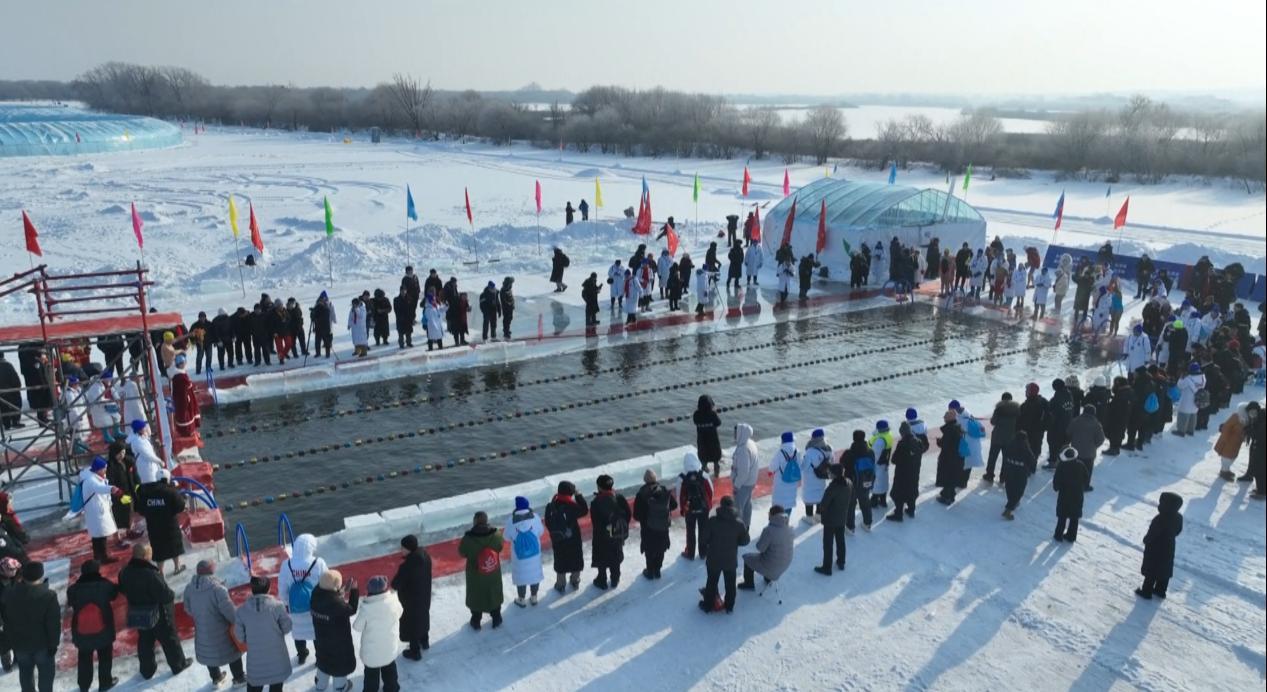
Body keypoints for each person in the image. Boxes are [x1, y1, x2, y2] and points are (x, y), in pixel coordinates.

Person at [119, 543, 191, 680]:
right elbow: (166, 595)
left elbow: (122, 589)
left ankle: (147, 670)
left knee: (145, 641)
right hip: (158, 614)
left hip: (138, 613)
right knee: (170, 639)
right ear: (145, 556)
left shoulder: (124, 572)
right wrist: (171, 594)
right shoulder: (151, 574)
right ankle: (178, 665)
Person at [183, 559, 246, 687]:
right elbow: (230, 613)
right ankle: (239, 678)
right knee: (233, 653)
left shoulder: (189, 588)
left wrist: (202, 617)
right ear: (211, 571)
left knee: (209, 653)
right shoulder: (218, 589)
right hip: (221, 631)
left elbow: (188, 609)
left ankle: (216, 678)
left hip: (202, 630)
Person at [2, 562, 60, 692]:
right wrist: (53, 644)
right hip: (43, 646)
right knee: (46, 677)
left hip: (21, 645)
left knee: (25, 673)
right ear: (41, 575)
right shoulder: (48, 596)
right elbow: (53, 624)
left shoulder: (10, 594)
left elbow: (7, 619)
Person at [235, 575, 292, 692]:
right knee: (276, 686)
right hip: (277, 658)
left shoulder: (241, 611)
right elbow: (287, 627)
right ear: (268, 588)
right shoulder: (277, 606)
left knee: (255, 685)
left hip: (255, 661)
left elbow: (240, 637)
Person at [69, 560, 119, 692]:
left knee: (84, 658)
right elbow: (114, 595)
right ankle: (105, 683)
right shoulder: (105, 585)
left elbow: (71, 602)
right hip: (104, 628)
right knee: (105, 657)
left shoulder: (73, 589)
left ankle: (84, 686)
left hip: (82, 630)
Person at [278, 532, 327, 664]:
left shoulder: (286, 565)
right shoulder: (318, 563)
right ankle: (320, 658)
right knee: (316, 632)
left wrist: (287, 603)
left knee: (298, 632)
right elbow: (327, 584)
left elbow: (282, 589)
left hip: (295, 607)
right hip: (315, 607)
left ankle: (302, 654)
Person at [698, 496, 750, 614]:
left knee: (711, 582)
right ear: (732, 506)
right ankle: (729, 606)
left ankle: (707, 606)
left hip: (713, 559)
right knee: (730, 584)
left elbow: (703, 539)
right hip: (730, 559)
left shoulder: (712, 521)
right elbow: (745, 541)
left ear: (720, 506)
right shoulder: (739, 523)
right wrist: (736, 542)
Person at [311, 569, 359, 692]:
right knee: (339, 667)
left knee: (323, 662)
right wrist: (354, 590)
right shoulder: (337, 604)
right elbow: (351, 609)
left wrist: (340, 592)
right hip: (338, 644)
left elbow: (329, 600)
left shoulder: (315, 596)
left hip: (321, 640)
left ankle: (320, 686)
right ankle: (340, 687)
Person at [352, 575, 402, 692]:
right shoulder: (394, 601)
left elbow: (357, 627)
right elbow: (400, 612)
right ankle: (392, 688)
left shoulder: (367, 609)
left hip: (372, 652)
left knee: (371, 676)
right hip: (389, 647)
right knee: (390, 670)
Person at [458, 511, 504, 630]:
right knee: (494, 593)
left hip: (475, 574)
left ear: (475, 521)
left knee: (476, 595)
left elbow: (462, 552)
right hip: (492, 571)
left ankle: (476, 621)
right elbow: (500, 546)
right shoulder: (496, 534)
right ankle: (496, 618)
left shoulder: (468, 538)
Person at [391, 534, 431, 659]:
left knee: (412, 623)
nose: (401, 549)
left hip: (410, 600)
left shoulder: (407, 566)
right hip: (424, 594)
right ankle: (424, 641)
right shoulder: (425, 556)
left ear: (409, 548)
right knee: (423, 616)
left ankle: (415, 651)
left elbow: (395, 584)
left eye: (403, 547)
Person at [1137, 492, 1184, 599]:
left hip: (1155, 548)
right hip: (1169, 547)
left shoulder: (1160, 519)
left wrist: (1146, 540)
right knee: (1165, 569)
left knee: (1151, 570)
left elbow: (1153, 533)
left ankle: (1146, 591)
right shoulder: (1179, 517)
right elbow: (1178, 531)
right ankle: (1160, 590)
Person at [136, 476, 186, 575]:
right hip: (170, 525)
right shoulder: (170, 492)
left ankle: (161, 572)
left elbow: (139, 509)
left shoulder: (146, 493)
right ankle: (177, 567)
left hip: (154, 526)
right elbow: (181, 506)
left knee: (158, 550)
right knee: (174, 546)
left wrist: (150, 513)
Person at [737, 504, 793, 592]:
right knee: (772, 554)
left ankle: (749, 583)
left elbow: (760, 548)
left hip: (772, 565)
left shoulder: (769, 530)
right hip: (785, 564)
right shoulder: (789, 528)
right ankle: (768, 578)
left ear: (772, 515)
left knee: (747, 558)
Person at [590, 474, 632, 590]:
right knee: (615, 556)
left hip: (602, 538)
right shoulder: (619, 497)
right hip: (617, 535)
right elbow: (628, 514)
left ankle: (601, 580)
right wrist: (621, 527)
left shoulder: (596, 502)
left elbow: (596, 523)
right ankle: (615, 579)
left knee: (601, 558)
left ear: (599, 487)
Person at [633, 469, 677, 579]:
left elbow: (636, 515)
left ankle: (650, 571)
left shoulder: (641, 493)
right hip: (663, 527)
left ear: (645, 480)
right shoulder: (663, 490)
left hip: (648, 528)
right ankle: (657, 570)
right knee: (660, 548)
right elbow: (674, 505)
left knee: (649, 549)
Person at [544, 481, 587, 591]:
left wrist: (556, 532)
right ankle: (575, 581)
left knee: (560, 562)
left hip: (559, 541)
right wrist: (579, 495)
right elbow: (585, 510)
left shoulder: (550, 506)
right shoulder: (573, 506)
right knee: (576, 560)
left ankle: (560, 585)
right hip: (573, 540)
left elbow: (547, 522)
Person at [79, 456, 121, 564]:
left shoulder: (93, 477)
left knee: (98, 536)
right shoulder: (91, 480)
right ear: (98, 469)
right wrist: (112, 489)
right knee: (100, 535)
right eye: (104, 468)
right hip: (96, 512)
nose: (105, 470)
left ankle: (98, 557)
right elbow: (99, 488)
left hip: (97, 510)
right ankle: (102, 557)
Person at [504, 498, 545, 606]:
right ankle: (534, 597)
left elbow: (506, 537)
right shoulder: (535, 517)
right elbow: (541, 531)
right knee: (534, 574)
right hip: (534, 554)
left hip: (519, 556)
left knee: (521, 576)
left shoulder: (510, 520)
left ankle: (521, 599)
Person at [814, 464, 851, 575]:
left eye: (830, 473)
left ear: (834, 475)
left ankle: (827, 567)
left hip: (830, 520)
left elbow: (823, 505)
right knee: (841, 540)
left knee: (828, 543)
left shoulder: (832, 488)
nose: (828, 474)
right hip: (842, 517)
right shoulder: (848, 483)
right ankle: (841, 561)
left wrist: (821, 510)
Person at [678, 452, 714, 560]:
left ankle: (690, 553)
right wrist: (708, 504)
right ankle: (703, 552)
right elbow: (711, 491)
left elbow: (678, 494)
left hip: (689, 510)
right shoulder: (703, 475)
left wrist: (682, 509)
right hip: (704, 508)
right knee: (703, 530)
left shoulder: (681, 478)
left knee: (690, 531)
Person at [1214, 402, 1259, 482]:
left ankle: (1226, 470)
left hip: (1237, 442)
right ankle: (1223, 471)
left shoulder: (1248, 419)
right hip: (1229, 441)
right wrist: (1224, 439)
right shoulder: (1236, 416)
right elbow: (1227, 427)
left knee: (1232, 457)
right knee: (1226, 457)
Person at [1053, 446, 1089, 542]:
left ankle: (1058, 535)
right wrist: (1082, 487)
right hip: (1077, 495)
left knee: (1062, 516)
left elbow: (1056, 481)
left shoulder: (1062, 466)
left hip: (1064, 495)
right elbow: (1086, 478)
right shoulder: (1081, 465)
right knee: (1074, 516)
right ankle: (1071, 536)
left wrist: (1057, 487)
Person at [1068, 404, 1106, 491]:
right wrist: (1094, 446)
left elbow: (1068, 432)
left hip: (1076, 452)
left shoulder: (1076, 421)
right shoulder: (1096, 424)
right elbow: (1101, 439)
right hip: (1089, 454)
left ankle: (1073, 484)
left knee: (1075, 469)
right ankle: (1085, 486)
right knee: (1087, 471)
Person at [985, 392, 1020, 483]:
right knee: (1006, 459)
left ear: (1002, 399)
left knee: (992, 457)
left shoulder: (999, 409)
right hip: (1010, 438)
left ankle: (989, 475)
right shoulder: (1017, 410)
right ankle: (1003, 477)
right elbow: (1019, 423)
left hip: (997, 437)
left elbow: (993, 422)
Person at [1001, 431, 1036, 520]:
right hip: (1021, 473)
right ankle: (1008, 509)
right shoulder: (1026, 449)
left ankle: (1011, 503)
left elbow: (1005, 456)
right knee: (1018, 491)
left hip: (1009, 471)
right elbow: (1032, 461)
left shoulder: (1010, 445)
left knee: (1010, 489)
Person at [730, 423, 760, 528]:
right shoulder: (750, 443)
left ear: (740, 433)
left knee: (738, 507)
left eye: (735, 432)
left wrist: (736, 485)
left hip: (743, 484)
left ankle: (739, 531)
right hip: (750, 481)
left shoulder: (743, 450)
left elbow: (743, 472)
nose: (734, 434)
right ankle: (746, 526)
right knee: (747, 505)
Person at [800, 428, 832, 522]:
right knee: (820, 494)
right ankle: (819, 514)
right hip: (823, 476)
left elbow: (804, 467)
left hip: (810, 478)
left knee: (809, 496)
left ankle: (809, 517)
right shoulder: (829, 448)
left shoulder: (810, 451)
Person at [769, 431, 801, 519]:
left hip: (781, 482)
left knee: (779, 504)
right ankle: (786, 521)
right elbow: (800, 465)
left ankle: (777, 522)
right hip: (792, 481)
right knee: (789, 503)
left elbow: (772, 467)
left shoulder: (780, 452)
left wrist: (771, 471)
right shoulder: (797, 451)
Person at [936, 410, 965, 505]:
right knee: (952, 477)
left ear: (949, 418)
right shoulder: (958, 427)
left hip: (949, 457)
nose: (944, 418)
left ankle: (947, 497)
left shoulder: (949, 429)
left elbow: (945, 444)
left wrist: (939, 442)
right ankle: (949, 495)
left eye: (945, 416)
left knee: (948, 477)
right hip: (957, 457)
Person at [1044, 378, 1074, 468]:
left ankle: (1053, 462)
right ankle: (1063, 460)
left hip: (1057, 426)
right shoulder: (1069, 395)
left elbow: (1051, 411)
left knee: (1053, 442)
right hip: (1068, 423)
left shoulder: (1056, 398)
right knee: (1064, 443)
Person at [170, 354, 201, 439]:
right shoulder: (180, 376)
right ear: (180, 364)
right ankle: (187, 432)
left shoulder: (179, 374)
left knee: (186, 414)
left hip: (184, 398)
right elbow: (183, 391)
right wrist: (186, 400)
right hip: (184, 399)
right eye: (184, 362)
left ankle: (186, 430)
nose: (185, 364)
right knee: (185, 415)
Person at [1172, 362, 1205, 437]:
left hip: (1186, 400)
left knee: (1183, 415)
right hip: (1197, 399)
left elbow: (1179, 386)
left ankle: (1181, 431)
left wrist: (1181, 378)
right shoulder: (1203, 377)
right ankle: (1190, 430)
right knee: (1193, 414)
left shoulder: (1188, 379)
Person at [693, 395, 722, 477]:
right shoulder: (712, 414)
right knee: (716, 459)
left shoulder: (696, 414)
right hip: (713, 440)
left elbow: (695, 422)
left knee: (703, 457)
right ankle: (716, 473)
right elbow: (719, 423)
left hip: (702, 440)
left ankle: (704, 470)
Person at [868, 420, 894, 507]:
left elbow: (875, 455)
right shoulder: (888, 435)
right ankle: (883, 500)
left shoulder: (879, 441)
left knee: (876, 483)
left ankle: (874, 501)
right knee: (883, 481)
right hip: (884, 462)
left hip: (878, 464)